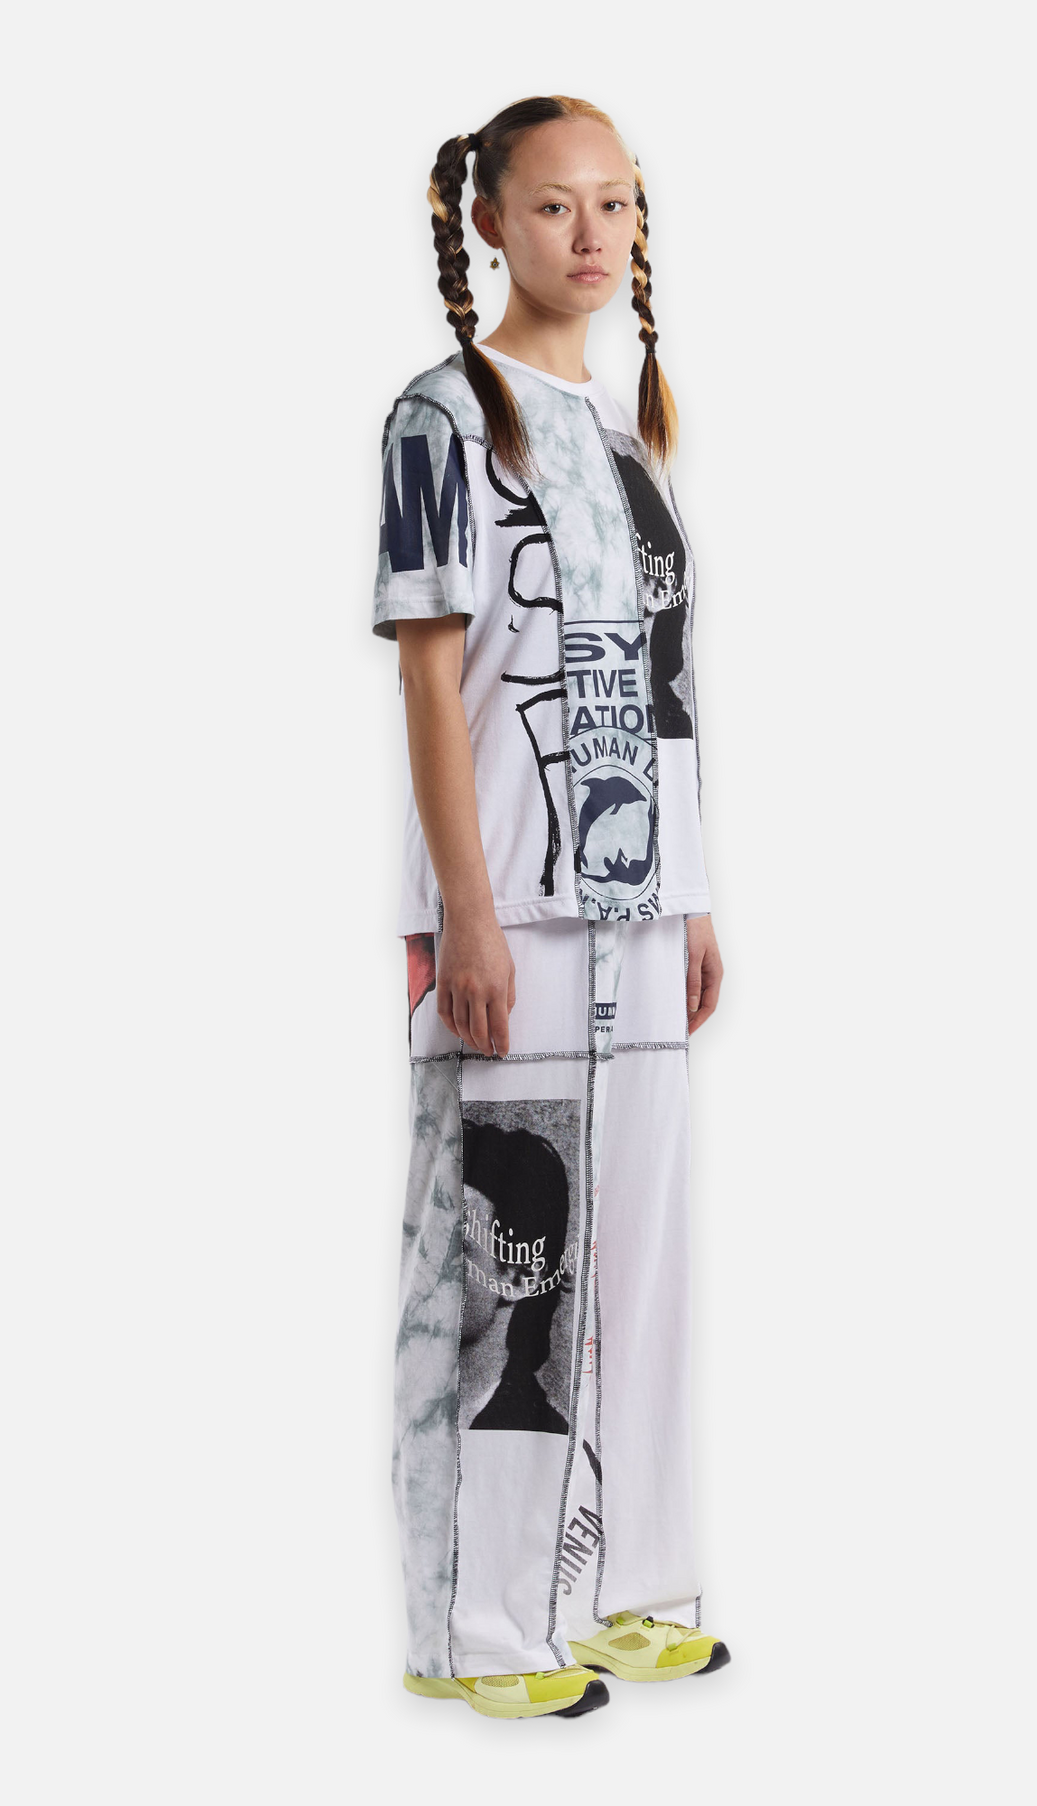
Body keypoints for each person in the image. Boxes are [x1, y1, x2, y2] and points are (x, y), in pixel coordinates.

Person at [375, 95, 728, 1722]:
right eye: (554, 206)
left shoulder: (631, 438)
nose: (591, 235)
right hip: (511, 911)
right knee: (512, 1266)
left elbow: (665, 688)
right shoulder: (443, 419)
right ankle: (482, 1622)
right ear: (492, 223)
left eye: (614, 205)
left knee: (641, 1259)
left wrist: (695, 893)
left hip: (643, 917)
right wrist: (464, 909)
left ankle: (633, 1585)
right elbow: (432, 681)